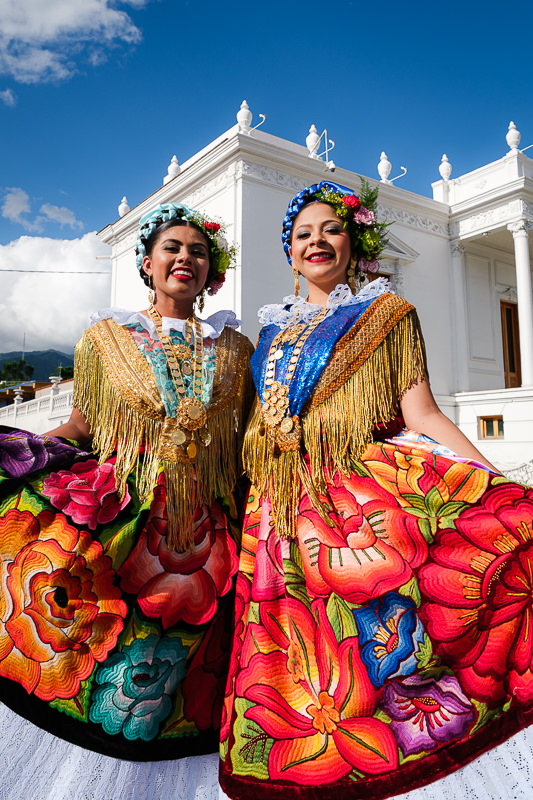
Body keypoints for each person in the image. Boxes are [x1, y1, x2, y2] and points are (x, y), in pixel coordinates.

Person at [219, 181, 533, 800]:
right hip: (279, 517)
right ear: (289, 253)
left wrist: (495, 488)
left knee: (371, 645)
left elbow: (424, 416)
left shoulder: (388, 315)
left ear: (354, 244)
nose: (317, 242)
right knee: (302, 662)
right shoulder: (269, 338)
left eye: (330, 230)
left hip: (353, 499)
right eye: (303, 234)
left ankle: (397, 748)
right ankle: (309, 758)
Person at [0, 202, 253, 800]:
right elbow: (81, 427)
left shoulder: (237, 349)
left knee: (186, 685)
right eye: (172, 248)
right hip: (124, 527)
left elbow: (248, 438)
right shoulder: (104, 339)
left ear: (211, 270)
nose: (184, 258)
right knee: (112, 669)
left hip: (208, 544)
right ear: (147, 263)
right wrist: (25, 453)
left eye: (197, 250)